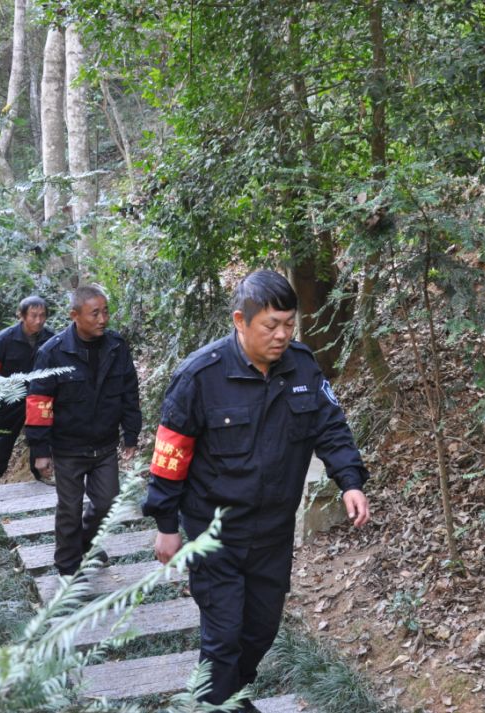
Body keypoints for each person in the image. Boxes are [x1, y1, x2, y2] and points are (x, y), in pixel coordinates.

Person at [141, 270, 371, 711]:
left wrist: (350, 482)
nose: (282, 335)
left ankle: (227, 696)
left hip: (271, 534)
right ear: (240, 321)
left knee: (259, 632)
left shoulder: (302, 367)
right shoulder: (199, 376)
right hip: (215, 534)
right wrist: (166, 526)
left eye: (289, 324)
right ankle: (217, 703)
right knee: (224, 636)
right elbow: (170, 456)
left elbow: (332, 428)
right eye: (271, 326)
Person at [25, 284, 142, 577]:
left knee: (107, 502)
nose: (103, 319)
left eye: (105, 312)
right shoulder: (52, 352)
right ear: (74, 315)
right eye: (95, 313)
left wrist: (131, 434)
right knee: (70, 508)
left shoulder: (116, 346)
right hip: (68, 447)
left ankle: (87, 544)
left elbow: (129, 391)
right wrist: (40, 451)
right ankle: (67, 568)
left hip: (104, 445)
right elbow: (39, 402)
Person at [0, 295, 55, 485]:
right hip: (10, 400)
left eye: (42, 315)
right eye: (33, 315)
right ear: (21, 316)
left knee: (40, 436)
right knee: (3, 440)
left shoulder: (51, 338)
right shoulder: (5, 339)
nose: (38, 320)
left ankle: (40, 475)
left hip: (39, 399)